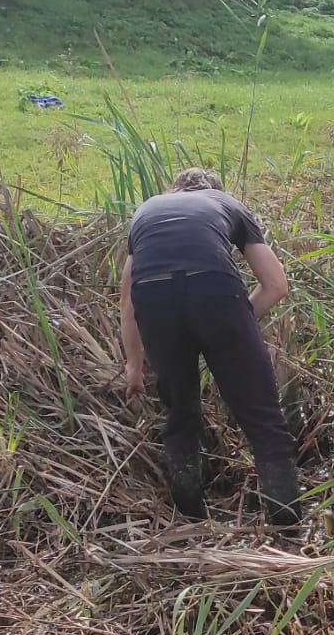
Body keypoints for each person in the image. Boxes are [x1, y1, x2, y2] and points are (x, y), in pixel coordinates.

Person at [119, 168, 301, 538]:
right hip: (215, 291)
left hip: (154, 299)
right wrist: (236, 325)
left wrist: (134, 365)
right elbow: (276, 285)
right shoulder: (226, 203)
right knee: (263, 419)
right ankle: (288, 532)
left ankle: (191, 529)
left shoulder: (146, 211)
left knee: (180, 416)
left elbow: (128, 303)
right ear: (215, 190)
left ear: (174, 190)